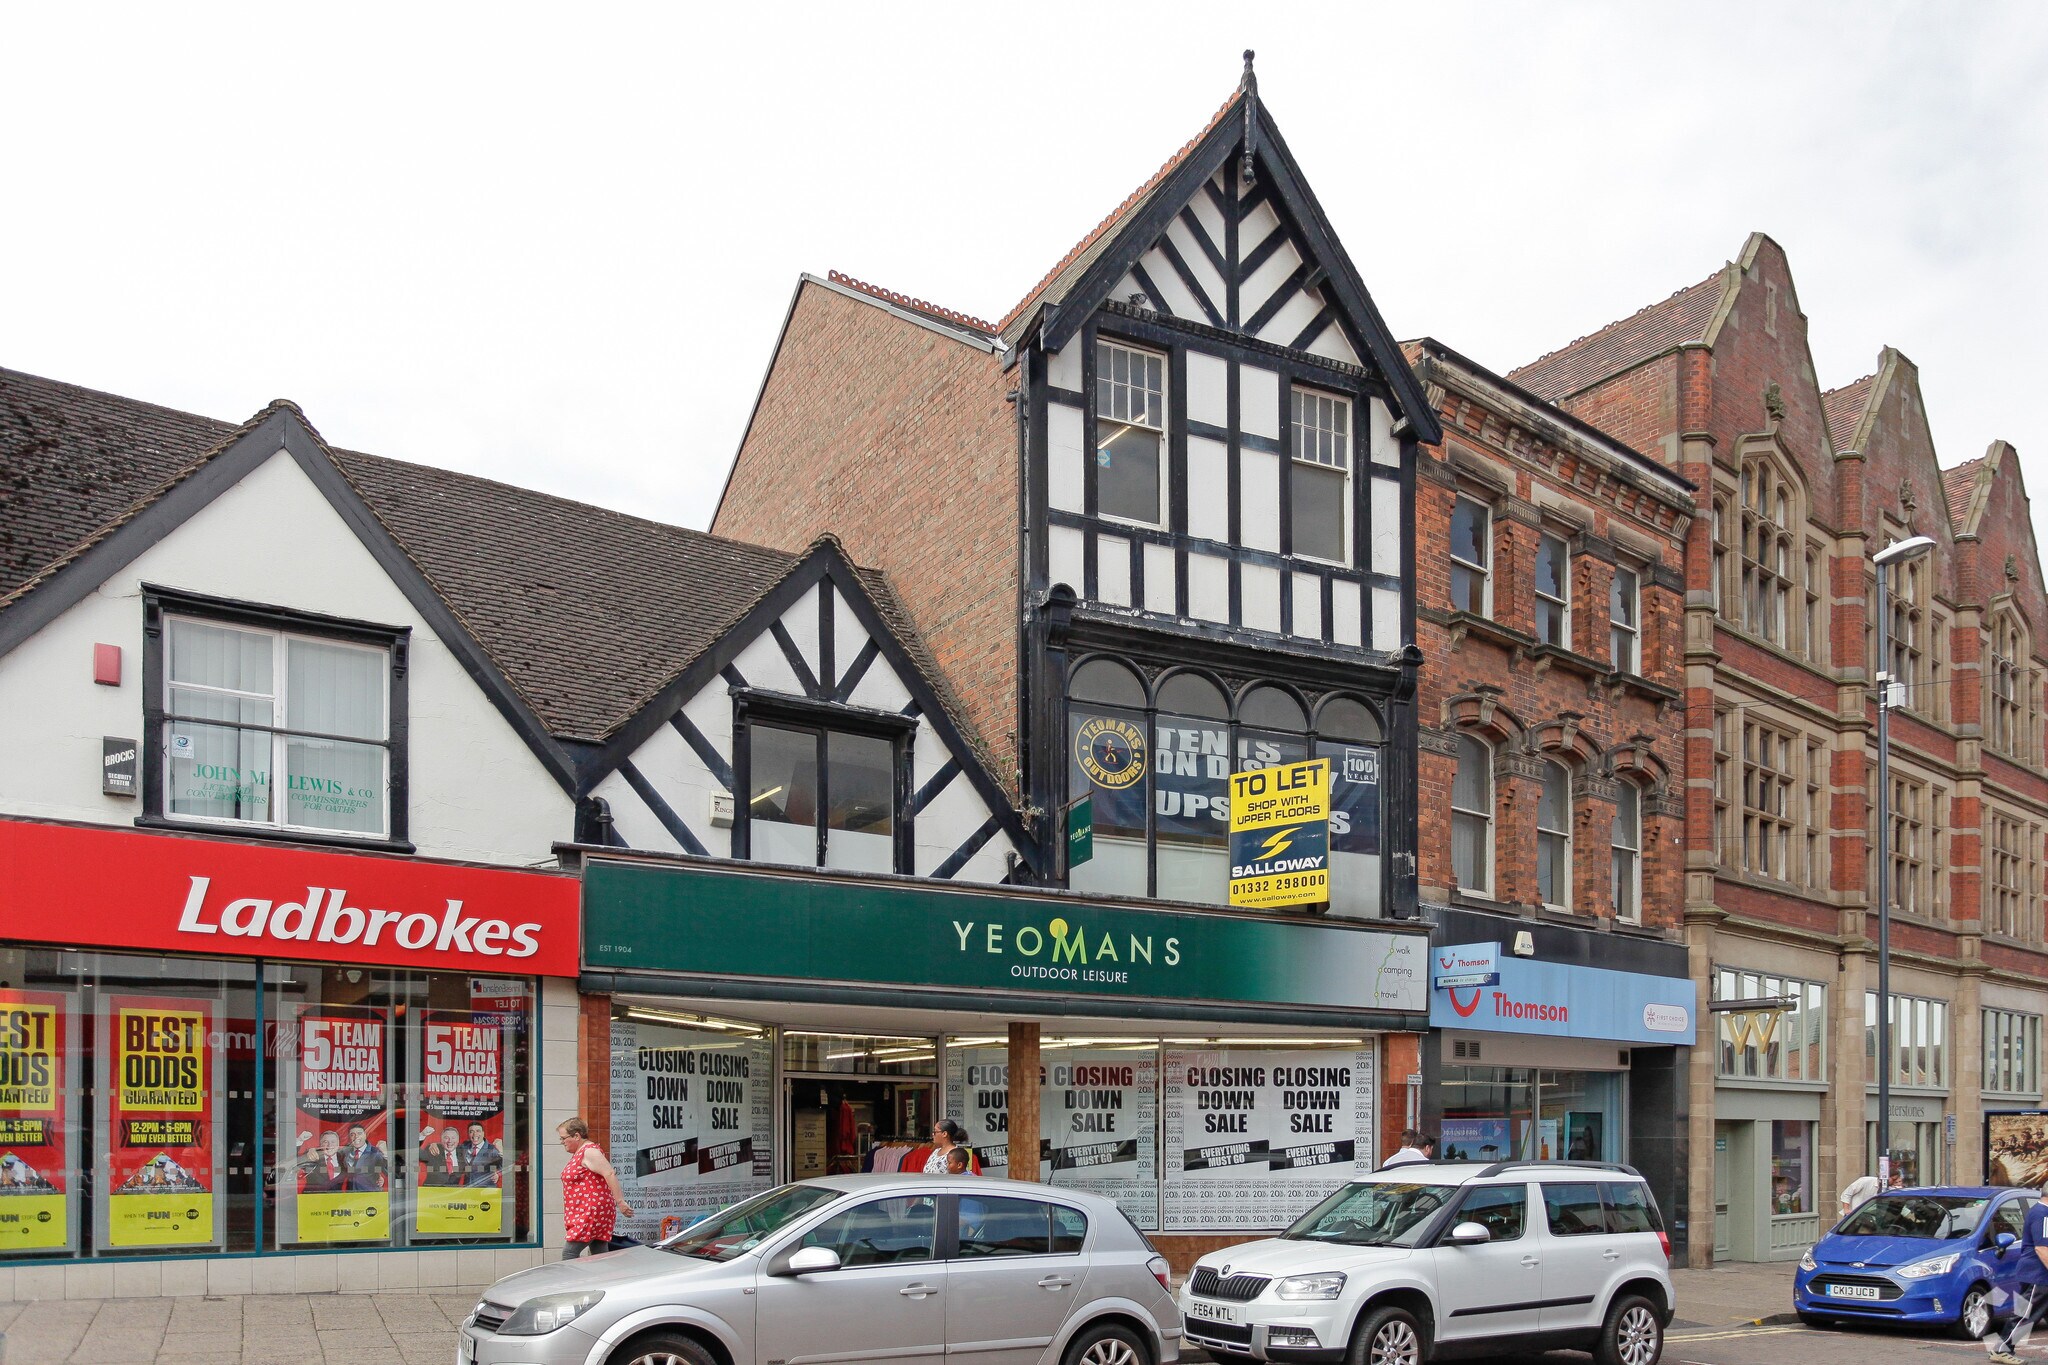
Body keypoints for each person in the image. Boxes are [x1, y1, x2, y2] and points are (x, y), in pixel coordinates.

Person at [1984, 1182, 2048, 1363]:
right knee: (2026, 1315)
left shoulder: (2041, 1213)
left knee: (2029, 1313)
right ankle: (2001, 1349)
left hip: (2037, 1274)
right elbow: (2042, 1249)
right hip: (2038, 1275)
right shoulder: (2043, 1215)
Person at [559, 1116, 633, 1258]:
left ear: (576, 1136)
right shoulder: (582, 1152)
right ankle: (603, 1279)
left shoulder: (589, 1151)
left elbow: (609, 1173)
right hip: (590, 1209)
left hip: (591, 1210)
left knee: (570, 1252)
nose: (562, 1142)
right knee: (599, 1251)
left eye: (564, 1138)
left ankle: (571, 1280)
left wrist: (620, 1201)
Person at [342, 1123, 389, 1191]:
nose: (356, 1137)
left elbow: (389, 1172)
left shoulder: (375, 1152)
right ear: (349, 1137)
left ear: (365, 1135)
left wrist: (385, 1154)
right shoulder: (346, 1152)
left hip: (369, 1195)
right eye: (352, 1134)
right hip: (351, 1195)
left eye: (359, 1133)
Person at [461, 1121, 503, 1187]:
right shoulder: (464, 1146)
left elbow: (506, 1166)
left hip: (485, 1190)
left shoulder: (492, 1149)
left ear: (483, 1133)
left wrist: (498, 1174)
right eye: (471, 1131)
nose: (475, 1134)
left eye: (478, 1131)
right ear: (468, 1134)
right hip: (468, 1189)